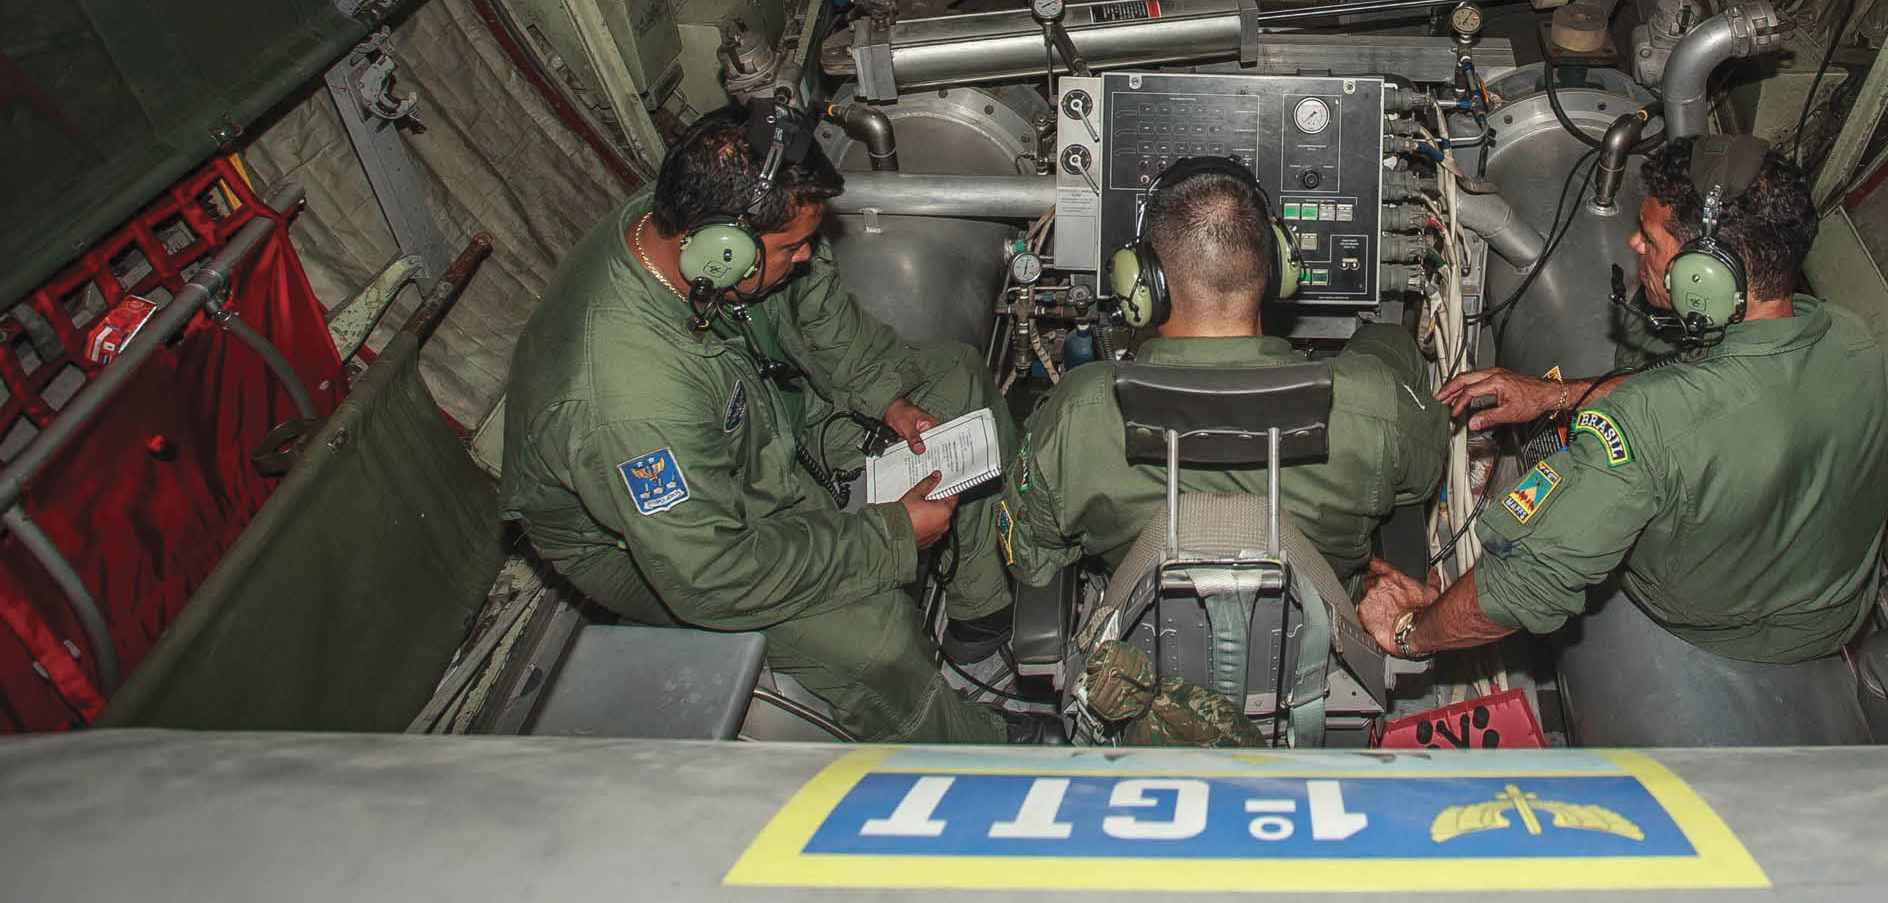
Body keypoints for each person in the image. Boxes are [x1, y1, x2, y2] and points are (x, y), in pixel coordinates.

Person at [1357, 136, 1888, 741]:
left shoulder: (1646, 428)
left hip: (1721, 626)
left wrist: (1410, 628)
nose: (1634, 242)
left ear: (1705, 276)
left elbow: (1519, 588)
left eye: (1652, 237)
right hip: (1829, 611)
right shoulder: (1853, 338)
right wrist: (1554, 395)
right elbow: (1696, 387)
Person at [501, 106, 1018, 743]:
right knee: (872, 637)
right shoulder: (628, 401)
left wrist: (887, 395)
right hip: (656, 542)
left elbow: (817, 307)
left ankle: (978, 626)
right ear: (725, 252)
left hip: (749, 406)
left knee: (953, 383)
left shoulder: (701, 230)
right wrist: (888, 538)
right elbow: (713, 572)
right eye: (791, 249)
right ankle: (969, 752)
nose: (805, 258)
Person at [998, 158, 1448, 589]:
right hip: (1316, 632)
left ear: (1142, 282)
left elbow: (1030, 555)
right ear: (1279, 270)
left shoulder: (1080, 411)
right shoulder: (1370, 400)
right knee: (1387, 342)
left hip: (1140, 642)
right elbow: (1423, 476)